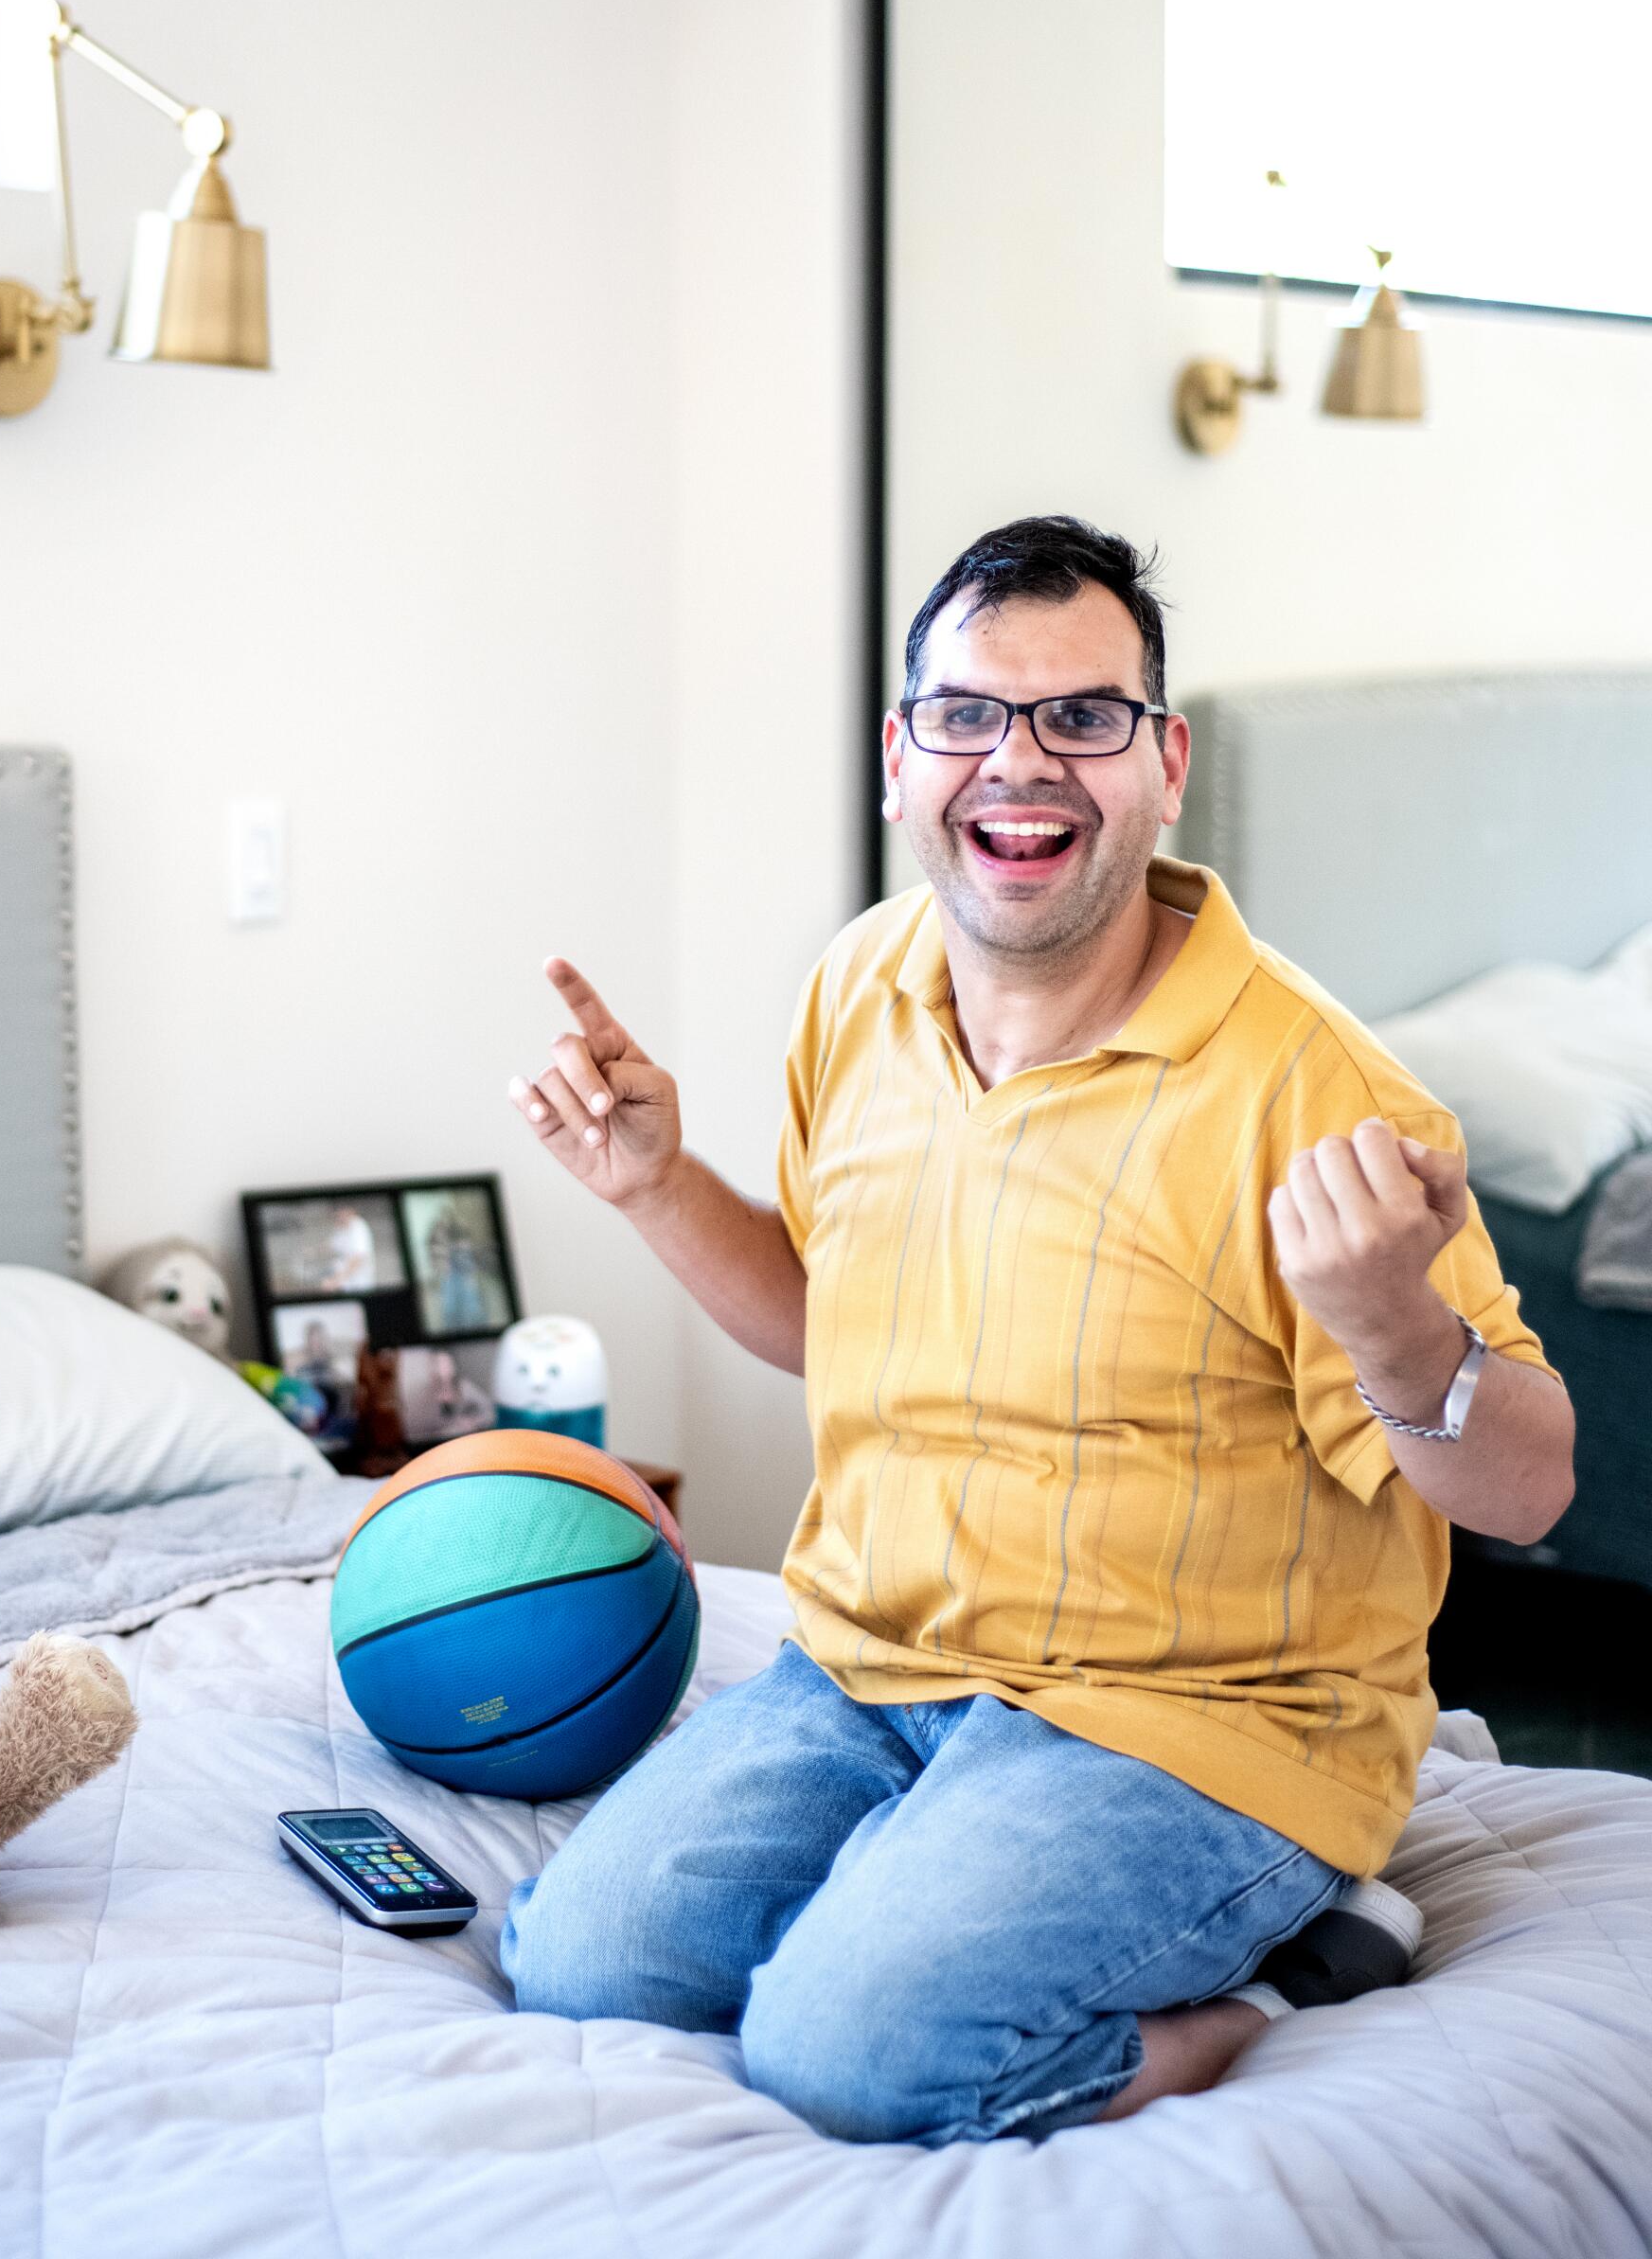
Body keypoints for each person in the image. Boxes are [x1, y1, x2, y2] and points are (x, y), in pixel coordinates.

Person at [499, 514, 1575, 2148]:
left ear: (1165, 766)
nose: (1022, 762)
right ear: (899, 756)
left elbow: (1535, 1491)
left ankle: (1286, 1977)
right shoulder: (859, 989)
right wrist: (653, 1186)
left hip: (1205, 1722)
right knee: (580, 1969)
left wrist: (1391, 1328)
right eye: (969, 714)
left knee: (845, 2054)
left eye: (1083, 717)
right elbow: (825, 1323)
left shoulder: (1317, 1091)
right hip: (872, 1669)